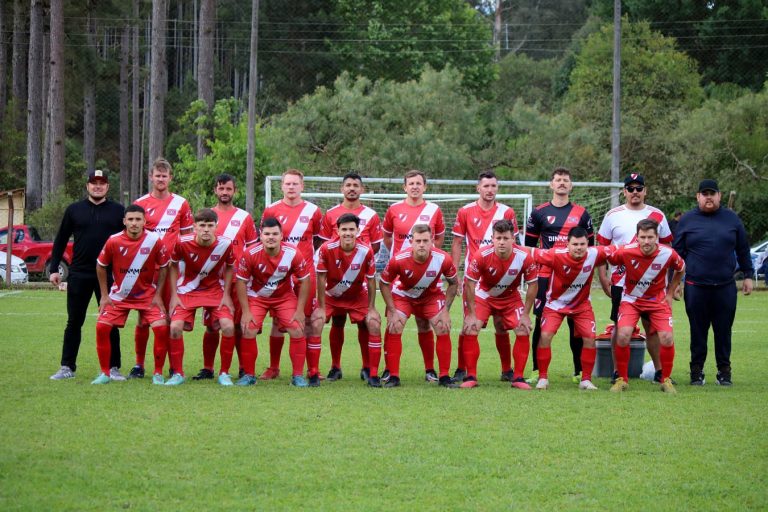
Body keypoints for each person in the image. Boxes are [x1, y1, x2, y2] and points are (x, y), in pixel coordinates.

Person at [672, 179, 753, 386]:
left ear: (719, 196)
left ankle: (724, 372)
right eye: (704, 194)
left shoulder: (732, 219)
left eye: (712, 194)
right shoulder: (687, 220)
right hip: (695, 286)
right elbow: (677, 254)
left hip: (725, 286)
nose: (708, 197)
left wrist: (748, 275)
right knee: (697, 331)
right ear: (698, 197)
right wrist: (675, 283)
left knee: (723, 331)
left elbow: (743, 249)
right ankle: (696, 371)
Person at [49, 170, 126, 381]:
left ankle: (113, 367)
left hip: (109, 275)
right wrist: (54, 268)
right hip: (79, 273)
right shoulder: (74, 210)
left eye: (102, 183)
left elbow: (128, 240)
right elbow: (61, 240)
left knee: (110, 322)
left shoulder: (118, 211)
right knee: (74, 321)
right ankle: (67, 367)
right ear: (87, 186)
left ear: (107, 186)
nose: (97, 186)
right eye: (94, 183)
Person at [597, 173, 673, 383]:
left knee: (653, 329)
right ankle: (617, 372)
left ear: (645, 191)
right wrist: (603, 277)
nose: (635, 192)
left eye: (639, 188)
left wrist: (669, 283)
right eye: (630, 188)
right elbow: (602, 249)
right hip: (621, 283)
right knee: (619, 327)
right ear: (624, 192)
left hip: (652, 283)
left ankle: (659, 371)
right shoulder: (613, 215)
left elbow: (667, 248)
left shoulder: (657, 215)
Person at [525, 167, 594, 384]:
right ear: (551, 184)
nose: (562, 183)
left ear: (571, 185)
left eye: (565, 180)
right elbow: (529, 247)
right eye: (558, 180)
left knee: (576, 323)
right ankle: (537, 370)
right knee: (541, 323)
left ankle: (579, 371)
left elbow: (590, 248)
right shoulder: (539, 212)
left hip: (575, 277)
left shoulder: (582, 213)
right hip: (546, 275)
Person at [451, 170, 520, 382]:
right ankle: (462, 369)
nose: (490, 190)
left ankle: (507, 370)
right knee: (469, 324)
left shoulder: (507, 212)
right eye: (486, 186)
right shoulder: (465, 211)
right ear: (478, 188)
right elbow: (457, 243)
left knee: (501, 324)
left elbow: (514, 244)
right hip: (475, 280)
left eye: (493, 186)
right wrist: (455, 274)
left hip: (502, 280)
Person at [91, 205, 171, 384]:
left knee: (161, 328)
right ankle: (105, 373)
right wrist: (104, 295)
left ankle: (158, 373)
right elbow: (100, 266)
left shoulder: (154, 240)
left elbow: (164, 266)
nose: (134, 223)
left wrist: (158, 294)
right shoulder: (113, 240)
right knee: (101, 327)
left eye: (138, 219)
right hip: (120, 296)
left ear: (144, 222)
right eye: (131, 219)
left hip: (147, 295)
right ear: (124, 221)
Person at [129, 158, 193, 378]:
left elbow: (187, 237)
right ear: (151, 177)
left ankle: (174, 366)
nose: (161, 179)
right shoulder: (141, 203)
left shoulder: (181, 203)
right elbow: (134, 236)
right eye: (157, 175)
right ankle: (139, 365)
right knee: (143, 318)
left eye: (164, 176)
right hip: (147, 270)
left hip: (173, 270)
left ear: (170, 178)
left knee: (172, 318)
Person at [605, 219, 685, 393]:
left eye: (650, 237)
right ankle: (622, 380)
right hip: (631, 300)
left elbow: (681, 268)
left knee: (666, 338)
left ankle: (665, 380)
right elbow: (605, 257)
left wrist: (670, 292)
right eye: (643, 237)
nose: (646, 241)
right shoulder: (626, 251)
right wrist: (606, 278)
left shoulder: (668, 253)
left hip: (657, 301)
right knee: (623, 335)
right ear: (637, 237)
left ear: (657, 237)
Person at [525, 227, 609, 390]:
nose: (579, 248)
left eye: (582, 244)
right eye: (575, 244)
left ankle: (586, 380)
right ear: (568, 244)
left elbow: (620, 252)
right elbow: (531, 251)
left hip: (581, 305)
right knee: (545, 335)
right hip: (555, 305)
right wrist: (510, 245)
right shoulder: (556, 254)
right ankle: (543, 378)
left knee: (590, 337)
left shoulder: (595, 254)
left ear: (588, 244)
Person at [317, 172, 383, 381]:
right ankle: (335, 367)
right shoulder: (330, 214)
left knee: (365, 323)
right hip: (335, 281)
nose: (352, 188)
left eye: (356, 185)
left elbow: (375, 246)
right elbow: (323, 246)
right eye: (348, 185)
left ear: (361, 189)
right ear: (342, 189)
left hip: (358, 280)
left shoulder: (371, 215)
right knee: (337, 321)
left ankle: (367, 368)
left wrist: (356, 263)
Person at [382, 170, 446, 382]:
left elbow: (438, 240)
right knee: (393, 322)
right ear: (405, 187)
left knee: (424, 323)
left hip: (426, 278)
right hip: (400, 277)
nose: (415, 187)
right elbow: (388, 238)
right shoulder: (393, 209)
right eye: (411, 183)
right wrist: (402, 259)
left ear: (424, 187)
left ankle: (430, 370)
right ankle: (389, 369)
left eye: (419, 183)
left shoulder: (434, 210)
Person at [192, 174, 258, 381]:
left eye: (228, 189)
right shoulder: (208, 217)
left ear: (234, 191)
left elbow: (252, 249)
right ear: (215, 190)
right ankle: (208, 368)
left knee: (238, 325)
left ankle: (242, 367)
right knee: (211, 326)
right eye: (221, 188)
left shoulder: (244, 217)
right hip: (213, 281)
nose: (224, 192)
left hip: (238, 280)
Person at [259, 169, 322, 380]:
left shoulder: (313, 211)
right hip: (279, 274)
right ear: (282, 186)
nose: (291, 187)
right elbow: (265, 239)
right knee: (278, 322)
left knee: (307, 320)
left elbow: (317, 240)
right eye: (287, 184)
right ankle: (274, 367)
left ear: (302, 186)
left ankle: (312, 369)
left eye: (295, 184)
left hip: (305, 274)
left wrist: (303, 259)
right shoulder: (271, 210)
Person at [379, 224, 458, 388]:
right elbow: (384, 283)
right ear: (411, 242)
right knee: (395, 325)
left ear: (432, 241)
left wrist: (445, 311)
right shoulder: (398, 259)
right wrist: (392, 311)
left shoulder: (443, 258)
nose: (422, 244)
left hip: (431, 296)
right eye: (418, 241)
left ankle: (443, 376)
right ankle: (393, 375)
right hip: (404, 295)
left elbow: (453, 283)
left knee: (442, 326)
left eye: (425, 241)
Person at [460, 220, 536, 389]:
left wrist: (525, 315)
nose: (502, 242)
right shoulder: (481, 255)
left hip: (510, 298)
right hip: (485, 296)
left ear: (513, 239)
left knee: (523, 329)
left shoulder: (524, 256)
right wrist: (471, 314)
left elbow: (533, 284)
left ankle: (517, 377)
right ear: (492, 239)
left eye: (506, 238)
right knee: (471, 328)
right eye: (498, 238)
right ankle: (471, 376)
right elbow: (470, 284)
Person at [236, 217, 311, 386]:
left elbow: (305, 280)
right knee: (248, 329)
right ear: (261, 235)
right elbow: (241, 282)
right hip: (257, 297)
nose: (271, 237)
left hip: (284, 297)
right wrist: (246, 312)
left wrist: (300, 310)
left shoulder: (293, 253)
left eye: (275, 234)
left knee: (297, 329)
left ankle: (298, 376)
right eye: (267, 234)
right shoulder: (250, 253)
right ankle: (249, 375)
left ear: (281, 235)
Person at [166, 209, 236, 386]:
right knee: (175, 327)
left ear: (216, 227)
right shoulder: (182, 242)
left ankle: (224, 373)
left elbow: (230, 267)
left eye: (210, 225)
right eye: (202, 225)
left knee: (228, 326)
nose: (206, 229)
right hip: (188, 290)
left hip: (214, 290)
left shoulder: (226, 244)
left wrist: (227, 295)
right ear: (194, 227)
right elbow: (173, 265)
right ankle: (178, 374)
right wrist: (174, 294)